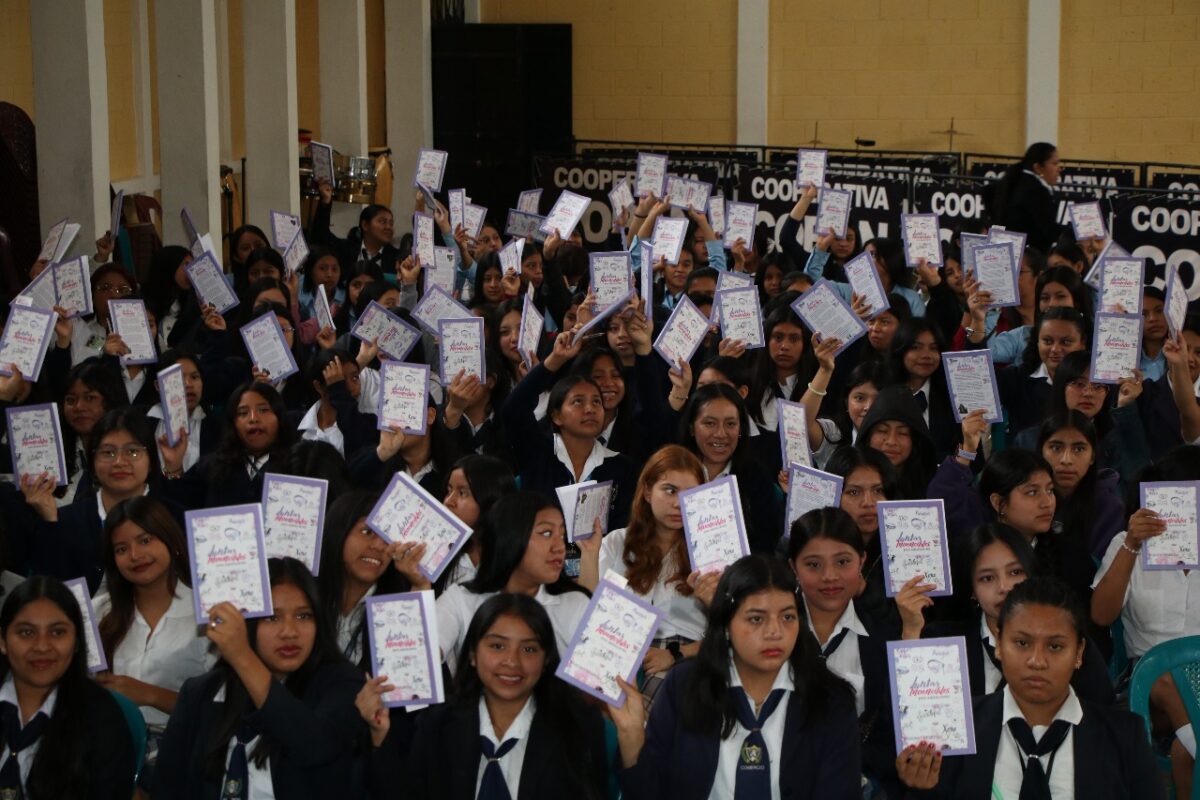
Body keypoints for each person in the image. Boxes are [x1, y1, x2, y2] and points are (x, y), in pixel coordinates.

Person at [610, 555, 862, 799]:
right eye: (756, 619)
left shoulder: (831, 700)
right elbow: (648, 792)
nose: (774, 632)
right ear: (726, 624)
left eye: (787, 617)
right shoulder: (684, 685)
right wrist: (631, 735)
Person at [897, 578, 1161, 799]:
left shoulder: (1125, 736)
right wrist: (922, 790)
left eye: (1055, 646)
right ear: (999, 644)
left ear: (1079, 653)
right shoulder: (954, 733)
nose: (1037, 661)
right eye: (1022, 643)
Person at [359, 593, 609, 799]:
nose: (512, 661)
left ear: (546, 660)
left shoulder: (578, 725)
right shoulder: (438, 724)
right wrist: (380, 734)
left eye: (529, 649)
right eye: (497, 646)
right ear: (472, 655)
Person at [154, 558, 367, 798]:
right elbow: (168, 787)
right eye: (272, 618)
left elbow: (313, 746)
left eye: (304, 616)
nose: (290, 632)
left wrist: (242, 656)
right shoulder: (200, 692)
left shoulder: (343, 683)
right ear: (247, 623)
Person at [898, 523, 1113, 704]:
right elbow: (913, 716)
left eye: (1015, 572)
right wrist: (911, 630)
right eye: (987, 578)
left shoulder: (1067, 639)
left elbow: (1103, 716)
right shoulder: (941, 642)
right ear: (972, 590)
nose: (1004, 587)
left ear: (1032, 574)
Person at [578, 445, 708, 705]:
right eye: (670, 490)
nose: (678, 503)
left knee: (667, 690)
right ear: (648, 491)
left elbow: (731, 634)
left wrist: (676, 654)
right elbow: (588, 611)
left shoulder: (707, 549)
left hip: (685, 655)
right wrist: (588, 555)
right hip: (616, 647)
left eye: (689, 493)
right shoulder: (617, 542)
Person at [787, 507, 900, 795]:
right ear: (793, 568)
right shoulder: (771, 634)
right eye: (813, 565)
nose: (829, 576)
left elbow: (888, 736)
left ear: (861, 561)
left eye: (843, 562)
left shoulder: (883, 636)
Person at [0, 576, 136, 798]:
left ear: (77, 642)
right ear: (3, 641)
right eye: (26, 632)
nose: (42, 646)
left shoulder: (102, 717)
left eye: (57, 632)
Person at [436, 491, 591, 677]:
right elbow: (419, 661)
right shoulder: (461, 599)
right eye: (546, 533)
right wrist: (419, 585)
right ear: (510, 537)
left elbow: (599, 686)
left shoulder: (576, 604)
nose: (559, 547)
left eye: (562, 535)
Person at [988, 142, 1063, 252]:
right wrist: (1075, 233)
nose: (1059, 169)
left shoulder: (1017, 182)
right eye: (1055, 164)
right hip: (1027, 255)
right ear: (1038, 168)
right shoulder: (1036, 191)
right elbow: (1048, 231)